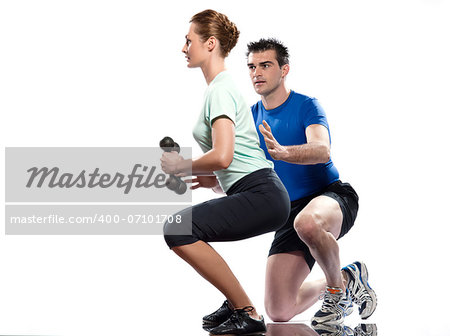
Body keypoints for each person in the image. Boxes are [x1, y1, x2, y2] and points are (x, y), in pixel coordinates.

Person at [160, 11, 290, 335]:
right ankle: (236, 304)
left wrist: (182, 166)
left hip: (264, 193)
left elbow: (222, 155)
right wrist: (213, 181)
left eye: (189, 40)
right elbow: (233, 161)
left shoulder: (220, 89)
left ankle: (244, 309)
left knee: (177, 229)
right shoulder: (220, 88)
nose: (184, 47)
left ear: (211, 44)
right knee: (181, 228)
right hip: (259, 191)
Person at [246, 38, 377, 325]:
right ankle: (346, 278)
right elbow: (244, 171)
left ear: (284, 70)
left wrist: (283, 152)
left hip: (330, 197)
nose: (257, 72)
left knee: (307, 223)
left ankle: (336, 294)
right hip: (288, 211)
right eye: (252, 66)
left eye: (265, 65)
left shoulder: (307, 105)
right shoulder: (250, 117)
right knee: (279, 310)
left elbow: (321, 149)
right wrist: (206, 178)